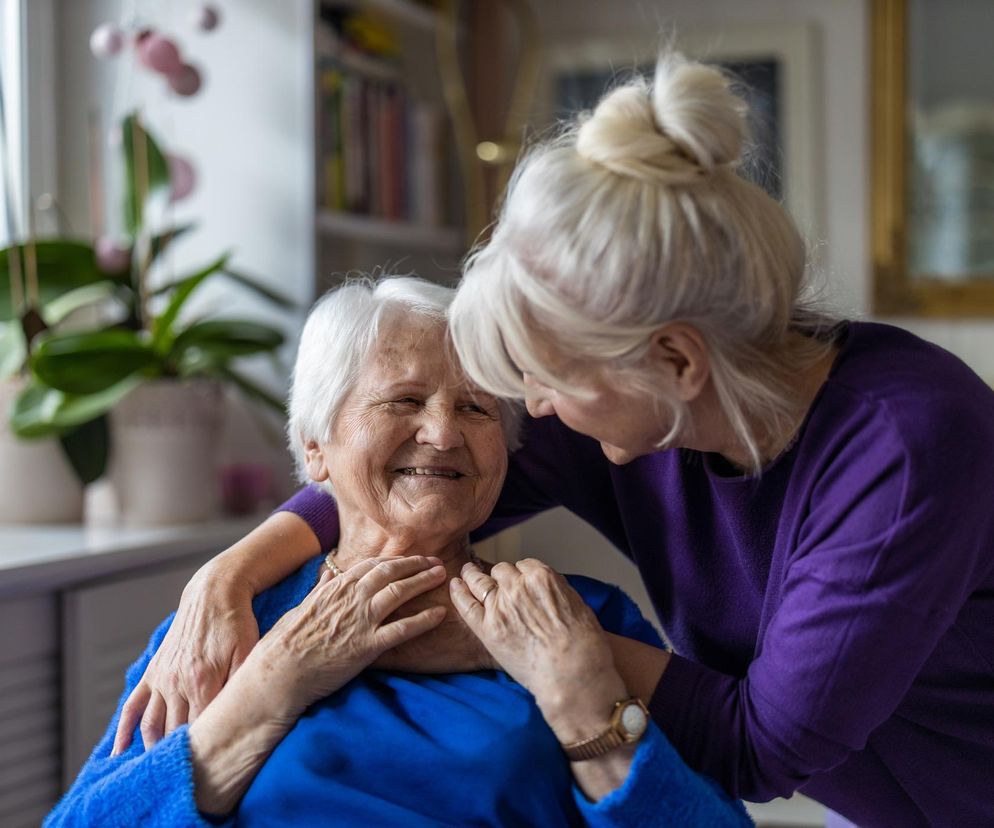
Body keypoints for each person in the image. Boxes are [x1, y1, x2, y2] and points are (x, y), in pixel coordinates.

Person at [116, 53, 994, 827]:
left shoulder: (906, 451)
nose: (519, 410)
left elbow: (759, 745)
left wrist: (541, 661)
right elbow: (395, 469)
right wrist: (226, 578)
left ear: (675, 359)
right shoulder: (628, 405)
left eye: (538, 380)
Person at [49, 277, 750, 827]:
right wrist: (269, 690)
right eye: (404, 400)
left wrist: (584, 704)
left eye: (476, 409)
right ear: (315, 448)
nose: (444, 433)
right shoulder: (228, 628)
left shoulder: (574, 619)